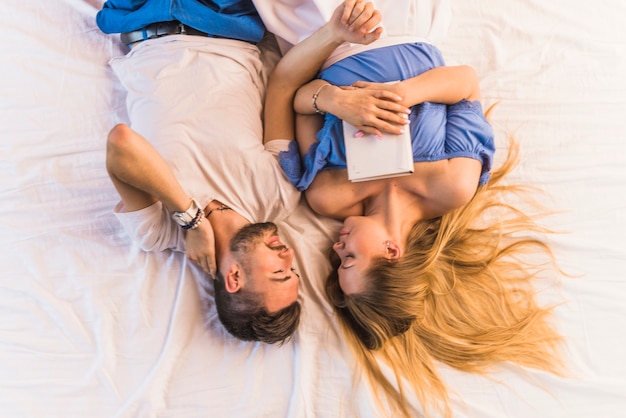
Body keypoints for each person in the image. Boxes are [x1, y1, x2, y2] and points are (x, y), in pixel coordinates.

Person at [263, 1, 564, 416]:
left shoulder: (328, 196)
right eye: (350, 259)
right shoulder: (452, 187)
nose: (336, 249)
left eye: (337, 261)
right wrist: (401, 95)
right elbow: (465, 83)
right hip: (404, 24)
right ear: (392, 252)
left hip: (324, 35)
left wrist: (335, 101)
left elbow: (294, 97)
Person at [97, 0, 303, 344]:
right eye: (293, 268)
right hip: (225, 23)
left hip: (145, 21)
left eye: (280, 272)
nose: (290, 254)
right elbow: (282, 86)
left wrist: (190, 219)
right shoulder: (280, 195)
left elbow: (121, 143)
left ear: (234, 277)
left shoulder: (158, 233)